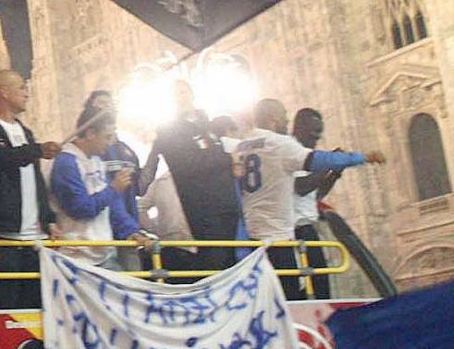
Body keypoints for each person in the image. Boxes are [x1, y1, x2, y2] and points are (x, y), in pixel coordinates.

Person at [232, 97, 385, 300]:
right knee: (293, 299)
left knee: (271, 300)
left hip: (253, 239)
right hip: (280, 238)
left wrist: (335, 171)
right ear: (273, 117)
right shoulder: (280, 144)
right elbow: (318, 162)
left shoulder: (242, 146)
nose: (286, 122)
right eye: (284, 117)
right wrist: (360, 158)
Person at [0, 69, 61, 308]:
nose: (27, 93)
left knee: (36, 307)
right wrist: (36, 150)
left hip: (33, 239)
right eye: (21, 87)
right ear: (3, 92)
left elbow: (35, 181)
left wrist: (49, 218)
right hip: (2, 238)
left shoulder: (26, 132)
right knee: (6, 307)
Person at [143, 80, 241, 275]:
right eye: (177, 93)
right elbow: (189, 164)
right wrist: (226, 159)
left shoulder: (207, 125)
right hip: (204, 212)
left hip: (227, 207)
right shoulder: (169, 132)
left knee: (231, 266)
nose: (182, 96)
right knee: (214, 267)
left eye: (185, 91)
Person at [49, 109, 146, 267]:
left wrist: (130, 230)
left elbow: (112, 205)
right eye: (107, 137)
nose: (110, 142)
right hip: (77, 257)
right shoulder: (66, 163)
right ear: (90, 133)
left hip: (103, 253)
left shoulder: (97, 160)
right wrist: (113, 189)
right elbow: (79, 209)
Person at [292, 106, 342, 300]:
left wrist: (335, 174)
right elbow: (301, 187)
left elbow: (314, 195)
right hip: (293, 232)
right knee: (303, 292)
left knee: (322, 288)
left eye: (319, 135)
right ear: (299, 128)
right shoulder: (292, 152)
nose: (316, 140)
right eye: (313, 134)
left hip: (308, 228)